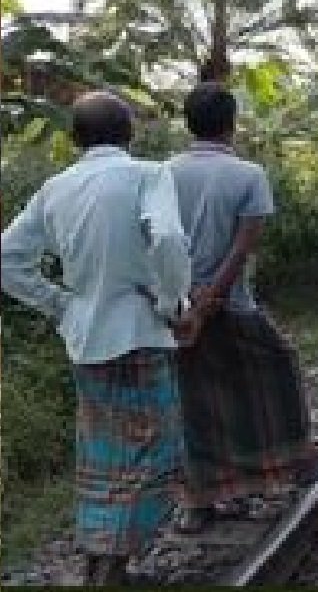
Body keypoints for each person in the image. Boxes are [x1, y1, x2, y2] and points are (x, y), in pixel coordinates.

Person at [2, 91, 195, 585]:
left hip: (85, 339)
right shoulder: (149, 175)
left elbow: (7, 259)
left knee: (103, 454)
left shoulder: (54, 189)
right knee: (156, 449)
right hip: (140, 332)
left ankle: (102, 560)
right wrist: (174, 304)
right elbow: (170, 239)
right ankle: (112, 564)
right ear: (129, 133)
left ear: (75, 138)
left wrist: (62, 304)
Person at [167, 83, 318, 533]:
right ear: (231, 124)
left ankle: (200, 500)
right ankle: (269, 472)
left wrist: (188, 302)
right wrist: (213, 298)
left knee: (195, 401)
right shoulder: (248, 175)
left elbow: (157, 243)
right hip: (231, 304)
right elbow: (241, 249)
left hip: (178, 310)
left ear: (188, 123)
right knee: (272, 379)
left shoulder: (162, 174)